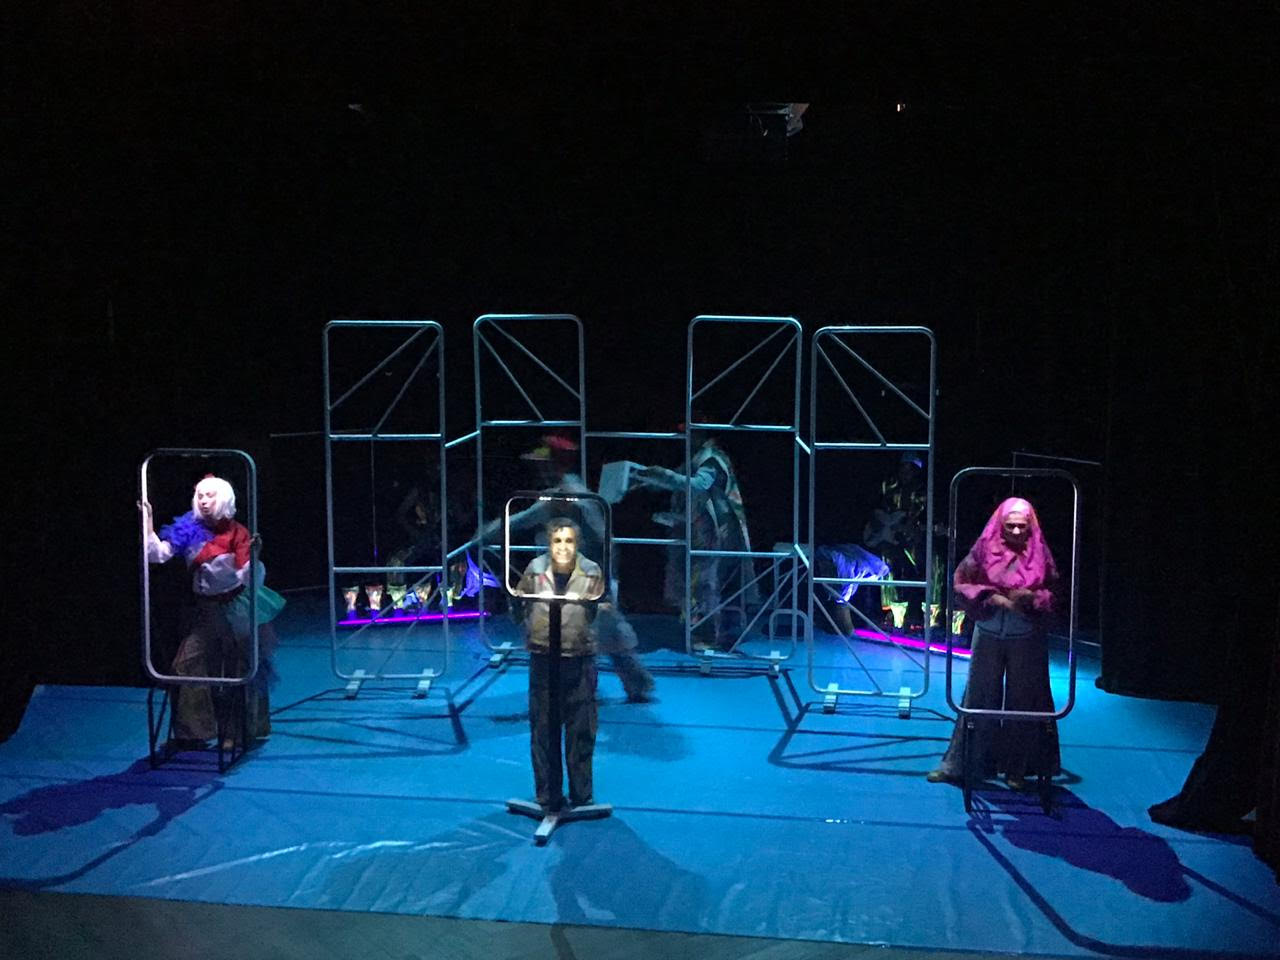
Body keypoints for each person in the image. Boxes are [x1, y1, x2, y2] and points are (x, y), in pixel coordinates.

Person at [481, 435, 655, 701]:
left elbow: (601, 540)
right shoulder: (564, 494)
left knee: (589, 633)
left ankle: (601, 688)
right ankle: (634, 683)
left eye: (544, 464)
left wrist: (603, 580)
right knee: (604, 633)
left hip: (586, 578)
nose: (540, 469)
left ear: (554, 464)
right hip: (580, 576)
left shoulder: (569, 497)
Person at [141, 475, 283, 749]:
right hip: (205, 610)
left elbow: (249, 578)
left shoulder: (237, 533)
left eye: (210, 496)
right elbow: (157, 555)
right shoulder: (187, 528)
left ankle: (237, 732)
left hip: (235, 607)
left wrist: (254, 556)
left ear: (225, 499)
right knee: (186, 665)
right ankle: (194, 732)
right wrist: (147, 521)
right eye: (200, 496)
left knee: (238, 669)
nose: (204, 501)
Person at [928, 497, 1060, 789]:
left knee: (1023, 702)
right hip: (988, 630)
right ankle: (961, 764)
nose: (1016, 532)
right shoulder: (984, 549)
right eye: (1010, 526)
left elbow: (1054, 591)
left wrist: (1032, 599)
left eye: (1022, 527)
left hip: (1025, 635)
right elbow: (962, 581)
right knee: (977, 698)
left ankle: (1017, 768)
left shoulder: (1040, 553)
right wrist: (992, 597)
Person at [637, 430, 758, 650]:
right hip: (696, 528)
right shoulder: (694, 459)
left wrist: (662, 475)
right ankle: (699, 629)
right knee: (692, 582)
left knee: (705, 583)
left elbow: (698, 484)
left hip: (714, 530)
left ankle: (707, 634)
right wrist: (643, 479)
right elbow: (676, 482)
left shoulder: (711, 458)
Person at [515, 518, 605, 809]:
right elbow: (520, 605)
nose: (563, 547)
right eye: (557, 541)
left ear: (577, 544)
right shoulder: (535, 569)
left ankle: (582, 794)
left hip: (579, 658)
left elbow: (598, 611)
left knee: (581, 728)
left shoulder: (591, 571)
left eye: (569, 541)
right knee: (543, 728)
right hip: (543, 657)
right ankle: (547, 794)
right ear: (548, 543)